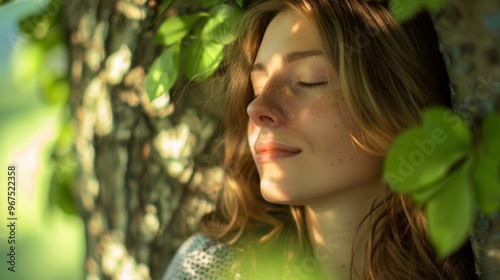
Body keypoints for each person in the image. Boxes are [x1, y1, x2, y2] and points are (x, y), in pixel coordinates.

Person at [164, 0, 477, 279]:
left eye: (309, 80)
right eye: (257, 87)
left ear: (398, 101)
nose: (256, 108)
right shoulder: (209, 269)